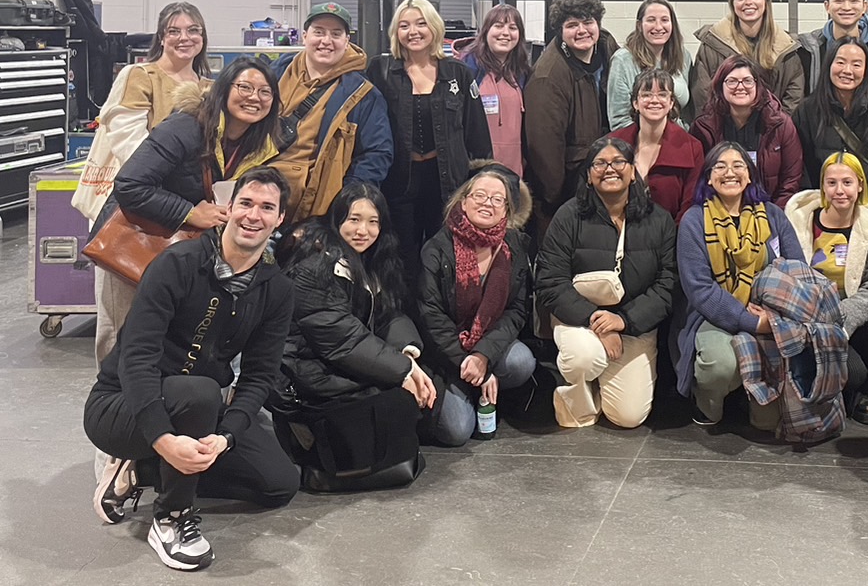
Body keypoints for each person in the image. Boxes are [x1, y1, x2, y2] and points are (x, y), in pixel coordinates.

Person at [85, 167, 299, 572]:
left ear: (280, 219)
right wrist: (163, 438)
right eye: (246, 204)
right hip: (121, 403)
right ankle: (170, 516)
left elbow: (258, 376)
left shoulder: (276, 290)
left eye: (267, 208)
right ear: (228, 208)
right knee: (200, 391)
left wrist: (225, 437)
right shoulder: (177, 264)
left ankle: (145, 469)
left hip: (199, 412)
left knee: (279, 484)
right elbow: (136, 359)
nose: (254, 216)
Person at [271, 183, 437, 492]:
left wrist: (408, 352)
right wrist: (402, 370)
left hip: (337, 363)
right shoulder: (315, 264)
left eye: (373, 221)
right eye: (353, 219)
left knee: (426, 395)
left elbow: (392, 313)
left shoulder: (372, 259)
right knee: (403, 397)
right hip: (305, 375)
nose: (363, 230)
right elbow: (342, 339)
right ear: (336, 220)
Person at [76, 1, 212, 366]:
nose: (184, 38)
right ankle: (114, 397)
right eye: (174, 31)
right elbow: (128, 143)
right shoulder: (141, 76)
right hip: (133, 213)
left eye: (193, 30)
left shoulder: (210, 87)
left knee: (170, 319)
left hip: (184, 217)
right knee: (123, 316)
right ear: (161, 37)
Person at [536, 136, 679, 429]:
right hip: (577, 318)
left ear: (632, 171)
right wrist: (596, 321)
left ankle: (603, 382)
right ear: (588, 175)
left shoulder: (659, 220)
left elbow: (668, 285)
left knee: (628, 417)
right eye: (599, 163)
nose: (609, 169)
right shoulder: (568, 217)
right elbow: (550, 282)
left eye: (618, 162)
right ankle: (578, 392)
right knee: (583, 359)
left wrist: (623, 321)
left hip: (633, 324)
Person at [673, 141, 806, 428]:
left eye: (738, 166)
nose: (729, 172)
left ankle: (751, 398)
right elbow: (700, 290)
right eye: (719, 166)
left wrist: (774, 316)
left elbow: (797, 270)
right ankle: (710, 403)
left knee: (768, 424)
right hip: (715, 316)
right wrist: (752, 322)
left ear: (749, 175)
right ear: (708, 177)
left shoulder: (772, 215)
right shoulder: (694, 221)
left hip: (770, 314)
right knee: (719, 367)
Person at [415, 164, 537, 447]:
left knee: (521, 362)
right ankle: (473, 385)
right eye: (480, 195)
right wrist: (466, 362)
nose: (488, 203)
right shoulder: (437, 247)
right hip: (446, 352)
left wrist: (483, 356)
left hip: (488, 344)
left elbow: (517, 311)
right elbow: (430, 316)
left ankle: (485, 383)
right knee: (456, 431)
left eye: (498, 199)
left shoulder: (514, 246)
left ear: (507, 210)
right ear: (464, 200)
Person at [367, 0, 493, 265]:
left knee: (445, 256)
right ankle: (403, 307)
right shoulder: (380, 70)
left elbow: (477, 134)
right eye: (404, 25)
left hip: (447, 184)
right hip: (398, 183)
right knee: (400, 257)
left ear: (434, 27)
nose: (413, 32)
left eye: (421, 23)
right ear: (395, 32)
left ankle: (438, 307)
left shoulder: (458, 73)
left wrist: (482, 182)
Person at [109, 58, 283, 242]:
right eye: (245, 87)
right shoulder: (184, 128)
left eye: (265, 92)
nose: (254, 97)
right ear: (223, 89)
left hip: (203, 247)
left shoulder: (263, 147)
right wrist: (188, 213)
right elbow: (129, 185)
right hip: (151, 241)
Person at [784, 152, 868, 424]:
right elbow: (788, 273)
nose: (840, 191)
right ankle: (856, 393)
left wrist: (844, 316)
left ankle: (863, 390)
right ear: (822, 186)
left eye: (847, 182)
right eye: (831, 183)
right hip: (813, 318)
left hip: (853, 317)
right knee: (854, 372)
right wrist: (825, 320)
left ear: (860, 185)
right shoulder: (800, 220)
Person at [272, 1, 393, 222]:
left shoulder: (363, 94)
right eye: (319, 32)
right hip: (261, 197)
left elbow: (377, 153)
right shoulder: (274, 74)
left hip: (316, 209)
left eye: (336, 34)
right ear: (305, 36)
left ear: (347, 41)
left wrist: (345, 203)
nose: (326, 41)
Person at [524, 0, 619, 233]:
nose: (582, 30)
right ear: (560, 30)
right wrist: (554, 198)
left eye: (588, 22)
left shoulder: (608, 48)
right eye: (572, 25)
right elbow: (544, 145)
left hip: (607, 170)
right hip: (569, 184)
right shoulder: (548, 76)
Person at [792, 38, 868, 213]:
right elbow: (802, 171)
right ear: (829, 65)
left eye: (856, 65)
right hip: (824, 210)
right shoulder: (807, 111)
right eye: (840, 62)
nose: (847, 70)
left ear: (866, 71)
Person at [688, 56, 803, 208]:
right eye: (732, 81)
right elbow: (697, 181)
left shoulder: (781, 125)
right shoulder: (703, 127)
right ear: (720, 86)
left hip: (770, 212)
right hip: (717, 213)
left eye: (747, 81)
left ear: (758, 85)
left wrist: (773, 216)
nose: (740, 87)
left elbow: (791, 181)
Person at [690, 0, 804, 115]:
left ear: (766, 2)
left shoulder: (786, 48)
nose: (748, 2)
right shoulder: (711, 45)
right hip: (722, 132)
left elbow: (793, 98)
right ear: (732, 4)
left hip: (773, 131)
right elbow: (703, 95)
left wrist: (776, 129)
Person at [609, 68, 705, 221]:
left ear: (671, 102)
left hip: (671, 238)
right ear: (635, 103)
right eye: (646, 95)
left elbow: (690, 206)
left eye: (662, 95)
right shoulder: (611, 145)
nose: (655, 100)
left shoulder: (693, 148)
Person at [457, 3, 532, 174]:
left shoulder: (522, 72)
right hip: (476, 167)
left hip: (514, 168)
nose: (505, 33)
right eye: (498, 26)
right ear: (485, 31)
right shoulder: (467, 68)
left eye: (512, 27)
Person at [607, 0, 697, 128]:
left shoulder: (683, 56)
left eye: (665, 20)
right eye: (651, 20)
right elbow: (619, 120)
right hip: (638, 144)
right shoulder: (622, 61)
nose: (658, 27)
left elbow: (687, 113)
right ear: (639, 25)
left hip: (677, 141)